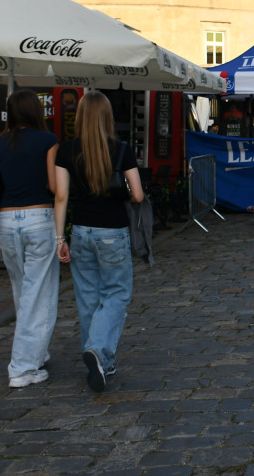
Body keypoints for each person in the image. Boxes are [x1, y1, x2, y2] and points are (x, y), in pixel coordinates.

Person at [52, 91, 143, 393]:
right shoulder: (121, 149)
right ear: (107, 116)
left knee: (88, 297)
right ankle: (97, 349)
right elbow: (139, 195)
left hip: (80, 229)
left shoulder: (66, 150)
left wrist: (59, 238)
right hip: (112, 231)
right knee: (117, 294)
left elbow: (61, 195)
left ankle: (103, 360)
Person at [0, 89, 60, 389]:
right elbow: (53, 184)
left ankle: (36, 351)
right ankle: (22, 367)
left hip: (6, 218)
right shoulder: (48, 140)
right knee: (39, 294)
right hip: (38, 217)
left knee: (22, 290)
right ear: (36, 110)